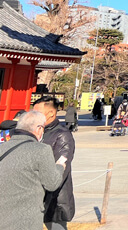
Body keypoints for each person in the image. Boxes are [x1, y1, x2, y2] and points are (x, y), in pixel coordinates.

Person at [0, 111, 68, 230]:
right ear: (39, 128)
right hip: (26, 219)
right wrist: (59, 167)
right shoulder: (41, 150)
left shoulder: (2, 147)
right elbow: (52, 184)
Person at [34, 96, 76, 230]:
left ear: (51, 113)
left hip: (55, 197)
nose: (33, 116)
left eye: (37, 113)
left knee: (56, 227)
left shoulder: (62, 135)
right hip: (35, 195)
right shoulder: (37, 132)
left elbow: (61, 168)